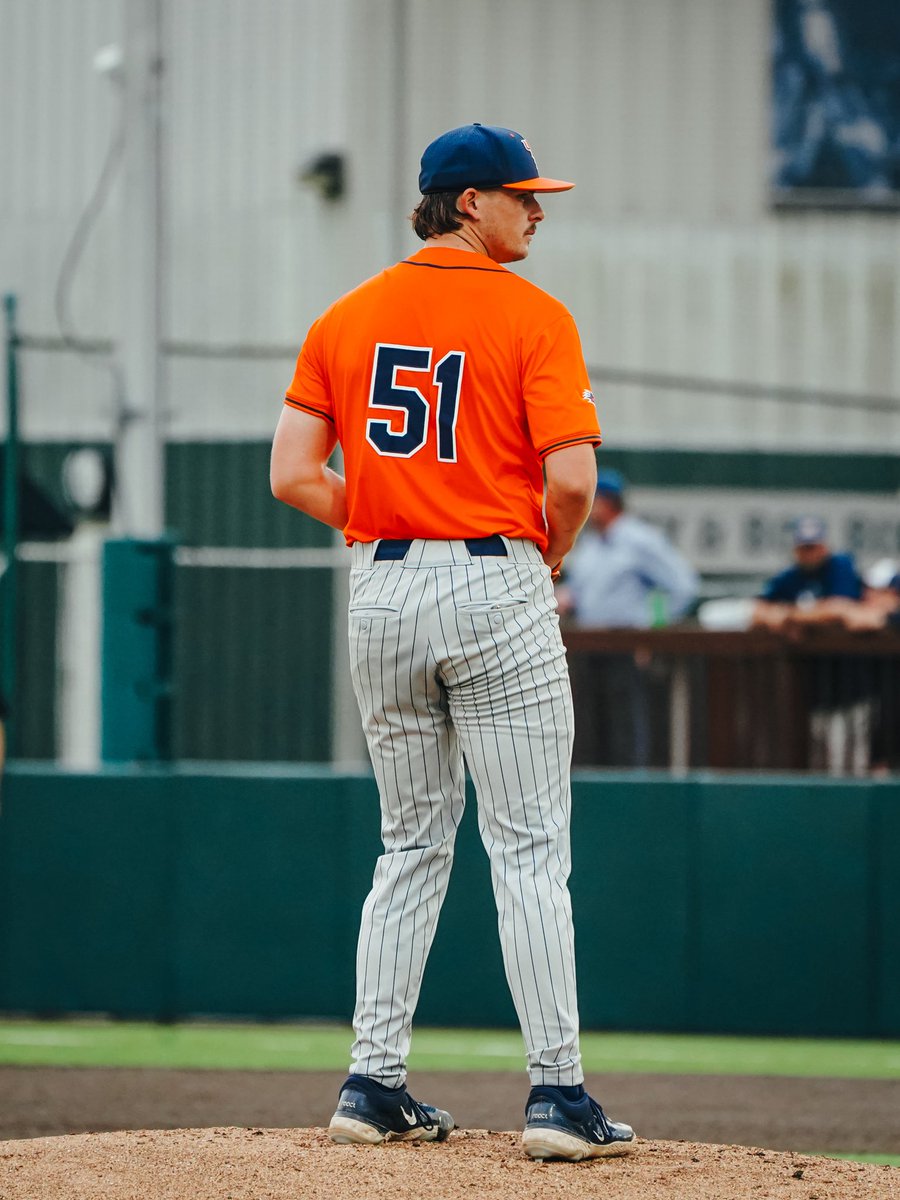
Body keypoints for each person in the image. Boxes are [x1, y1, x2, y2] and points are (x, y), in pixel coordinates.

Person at [270, 123, 634, 1163]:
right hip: (492, 581)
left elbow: (292, 475)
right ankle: (558, 1098)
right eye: (522, 194)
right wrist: (548, 555)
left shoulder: (345, 317)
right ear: (467, 202)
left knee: (408, 845)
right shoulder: (533, 314)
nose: (538, 209)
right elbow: (569, 481)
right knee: (525, 848)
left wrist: (391, 510)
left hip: (380, 583)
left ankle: (371, 1081)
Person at [556, 469, 698, 766]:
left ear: (607, 503)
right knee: (593, 726)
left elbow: (682, 586)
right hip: (590, 647)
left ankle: (631, 789)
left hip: (626, 646)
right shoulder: (592, 543)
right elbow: (583, 593)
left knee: (627, 726)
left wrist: (647, 626)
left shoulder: (639, 540)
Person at [753, 516, 869, 773]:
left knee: (851, 761)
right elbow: (758, 610)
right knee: (818, 762)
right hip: (812, 687)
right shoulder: (790, 577)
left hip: (850, 685)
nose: (809, 553)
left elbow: (840, 607)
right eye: (804, 547)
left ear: (824, 546)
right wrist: (799, 617)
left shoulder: (840, 566)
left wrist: (791, 617)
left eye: (814, 546)